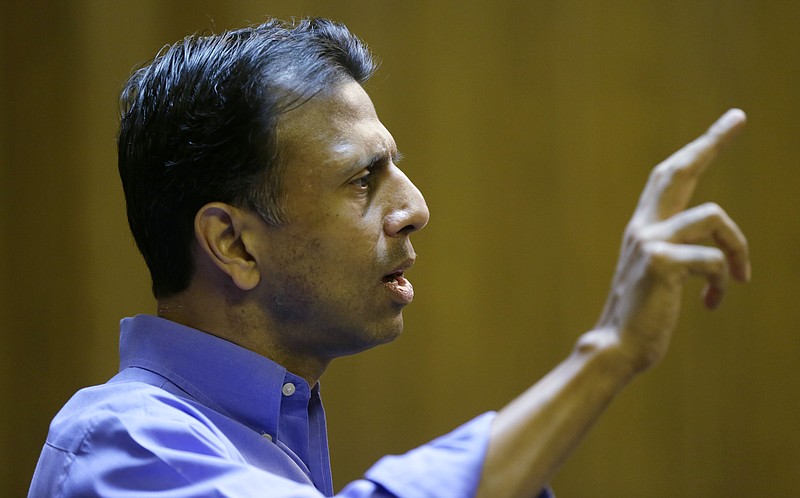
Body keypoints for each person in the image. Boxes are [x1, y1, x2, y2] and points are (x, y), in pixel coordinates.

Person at [28, 17, 749, 498]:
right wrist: (610, 352)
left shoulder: (274, 434)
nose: (415, 209)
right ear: (233, 244)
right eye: (364, 179)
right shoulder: (121, 446)